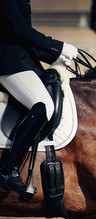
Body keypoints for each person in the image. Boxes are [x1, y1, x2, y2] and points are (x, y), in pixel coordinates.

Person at [0, 0, 78, 194]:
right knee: (42, 105)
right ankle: (8, 170)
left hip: (20, 60)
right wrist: (57, 46)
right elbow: (17, 30)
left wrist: (55, 57)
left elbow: (22, 37)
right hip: (7, 62)